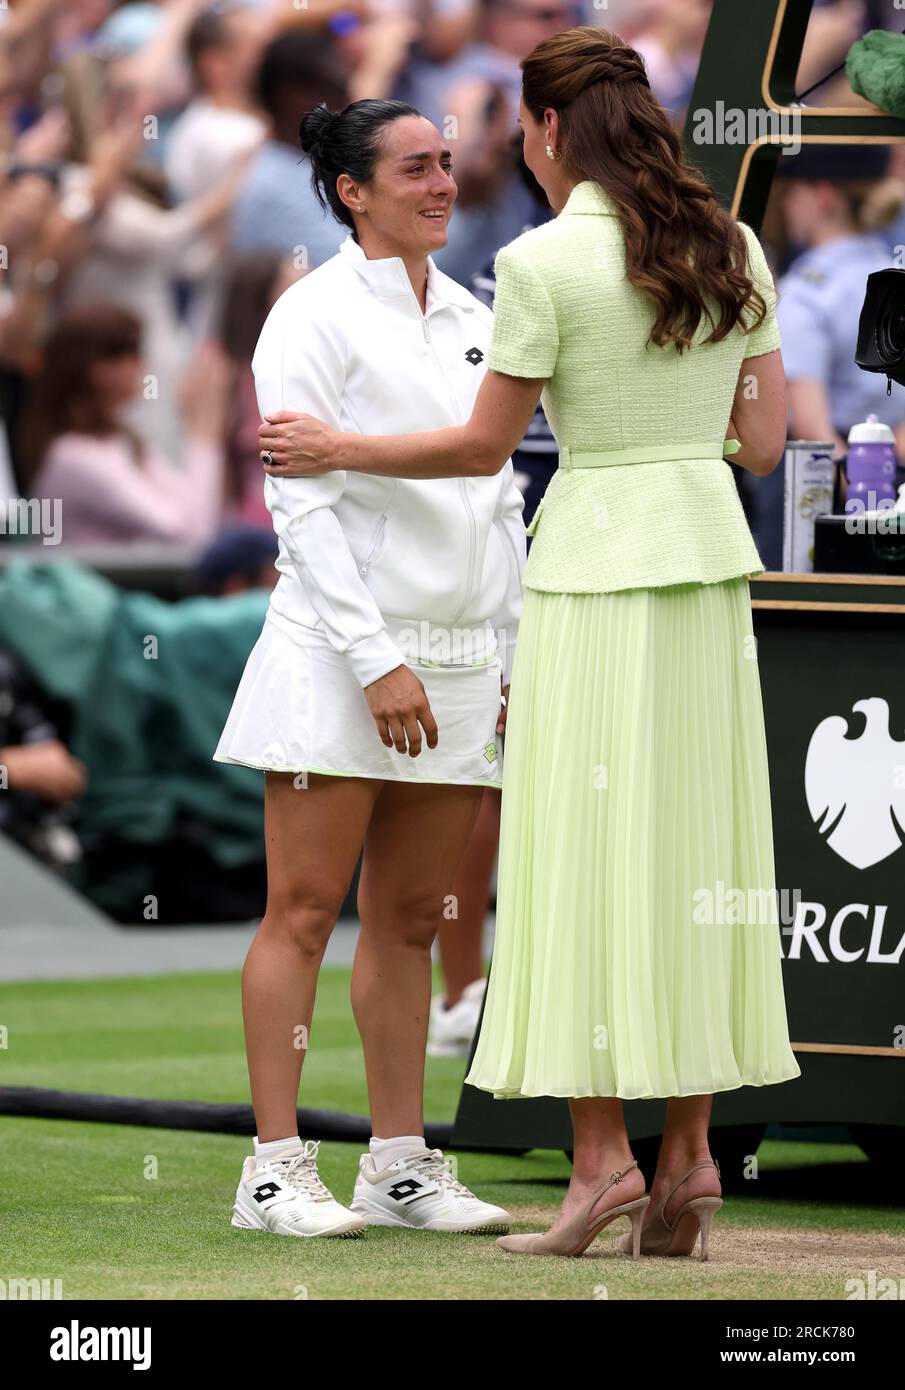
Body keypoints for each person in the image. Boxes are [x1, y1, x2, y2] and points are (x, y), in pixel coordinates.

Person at [259, 26, 801, 1261]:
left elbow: (476, 448)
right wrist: (674, 435)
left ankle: (600, 1163)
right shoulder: (736, 243)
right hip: (707, 574)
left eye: (515, 129)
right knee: (697, 854)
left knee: (581, 867)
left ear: (552, 132)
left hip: (593, 575)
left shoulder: (540, 262)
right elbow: (763, 445)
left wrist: (338, 449)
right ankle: (689, 1163)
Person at [214, 97, 525, 1239]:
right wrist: (373, 656)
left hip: (455, 659)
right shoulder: (306, 316)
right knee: (300, 911)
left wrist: (503, 646)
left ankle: (398, 1163)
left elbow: (497, 496)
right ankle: (270, 1169)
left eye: (446, 165)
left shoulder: (476, 314)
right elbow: (301, 504)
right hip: (338, 659)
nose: (442, 183)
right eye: (414, 169)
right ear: (352, 190)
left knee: (409, 918)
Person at [23, 303, 227, 545]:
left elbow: (197, 517)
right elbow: (191, 534)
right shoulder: (72, 456)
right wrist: (202, 431)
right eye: (133, 351)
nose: (143, 363)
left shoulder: (126, 441)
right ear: (97, 368)